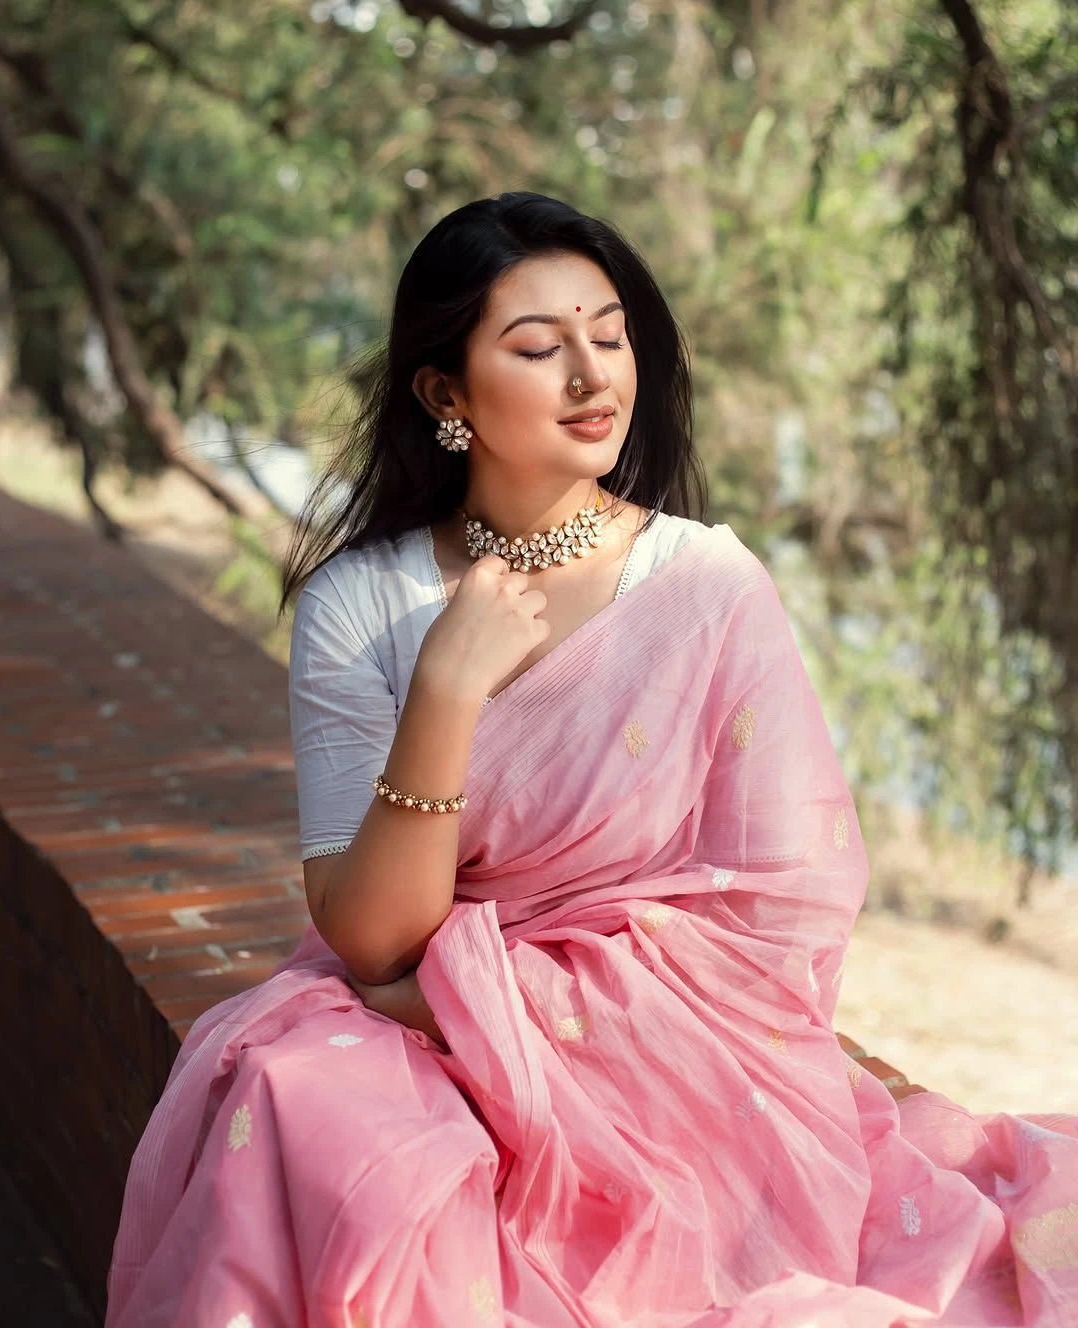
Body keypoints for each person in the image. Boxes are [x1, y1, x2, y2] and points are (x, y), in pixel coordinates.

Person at [105, 193, 1078, 1327]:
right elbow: (370, 938)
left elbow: (778, 909)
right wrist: (447, 689)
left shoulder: (704, 585)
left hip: (660, 1054)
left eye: (608, 338)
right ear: (445, 394)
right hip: (414, 1033)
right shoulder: (361, 602)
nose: (591, 376)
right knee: (298, 1101)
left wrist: (482, 1002)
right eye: (538, 348)